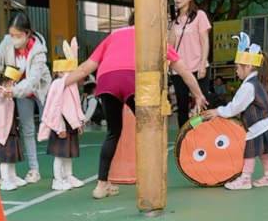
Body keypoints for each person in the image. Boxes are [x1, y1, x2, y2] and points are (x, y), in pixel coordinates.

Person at [64, 23, 207, 199]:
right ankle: (150, 184)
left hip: (106, 79)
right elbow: (183, 69)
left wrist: (59, 86)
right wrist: (198, 95)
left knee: (113, 132)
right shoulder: (154, 37)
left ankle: (101, 185)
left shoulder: (113, 35)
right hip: (133, 77)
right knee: (149, 131)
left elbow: (85, 68)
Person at [201, 34, 268, 190]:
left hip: (259, 124)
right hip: (267, 122)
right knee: (264, 152)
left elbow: (235, 107)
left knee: (250, 150)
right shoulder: (254, 82)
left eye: (238, 67)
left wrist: (218, 112)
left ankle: (245, 179)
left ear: (248, 67)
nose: (236, 71)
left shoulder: (248, 86)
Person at [0, 12, 51, 183]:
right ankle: (34, 170)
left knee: (52, 125)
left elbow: (33, 79)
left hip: (40, 90)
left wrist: (15, 91)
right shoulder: (7, 43)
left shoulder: (38, 50)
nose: (14, 39)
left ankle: (62, 169)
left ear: (27, 33)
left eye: (18, 35)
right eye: (12, 35)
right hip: (20, 91)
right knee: (28, 129)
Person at [39, 38, 85, 191]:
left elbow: (74, 105)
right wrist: (59, 127)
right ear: (59, 72)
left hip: (69, 124)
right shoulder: (58, 85)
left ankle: (68, 175)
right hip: (60, 124)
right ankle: (57, 179)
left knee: (68, 153)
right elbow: (54, 108)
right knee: (59, 154)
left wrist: (78, 122)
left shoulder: (71, 85)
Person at [169, 0, 212, 124]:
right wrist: (171, 24)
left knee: (202, 103)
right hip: (179, 71)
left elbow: (205, 41)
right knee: (182, 107)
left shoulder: (200, 15)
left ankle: (203, 133)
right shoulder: (174, 21)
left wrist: (202, 64)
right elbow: (170, 47)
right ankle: (184, 135)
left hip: (197, 67)